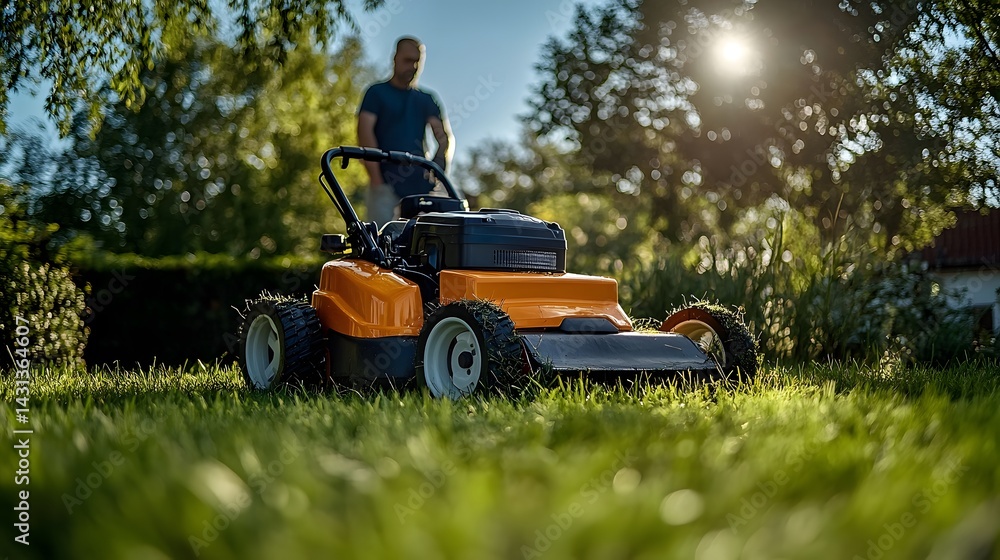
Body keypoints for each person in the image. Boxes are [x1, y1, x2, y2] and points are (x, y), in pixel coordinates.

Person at [357, 36, 453, 225]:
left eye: (418, 61)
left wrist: (439, 167)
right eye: (408, 60)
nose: (413, 66)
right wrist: (376, 179)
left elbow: (443, 137)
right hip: (385, 185)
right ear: (395, 58)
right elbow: (365, 132)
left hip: (421, 187)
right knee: (382, 242)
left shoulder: (427, 99)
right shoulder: (376, 93)